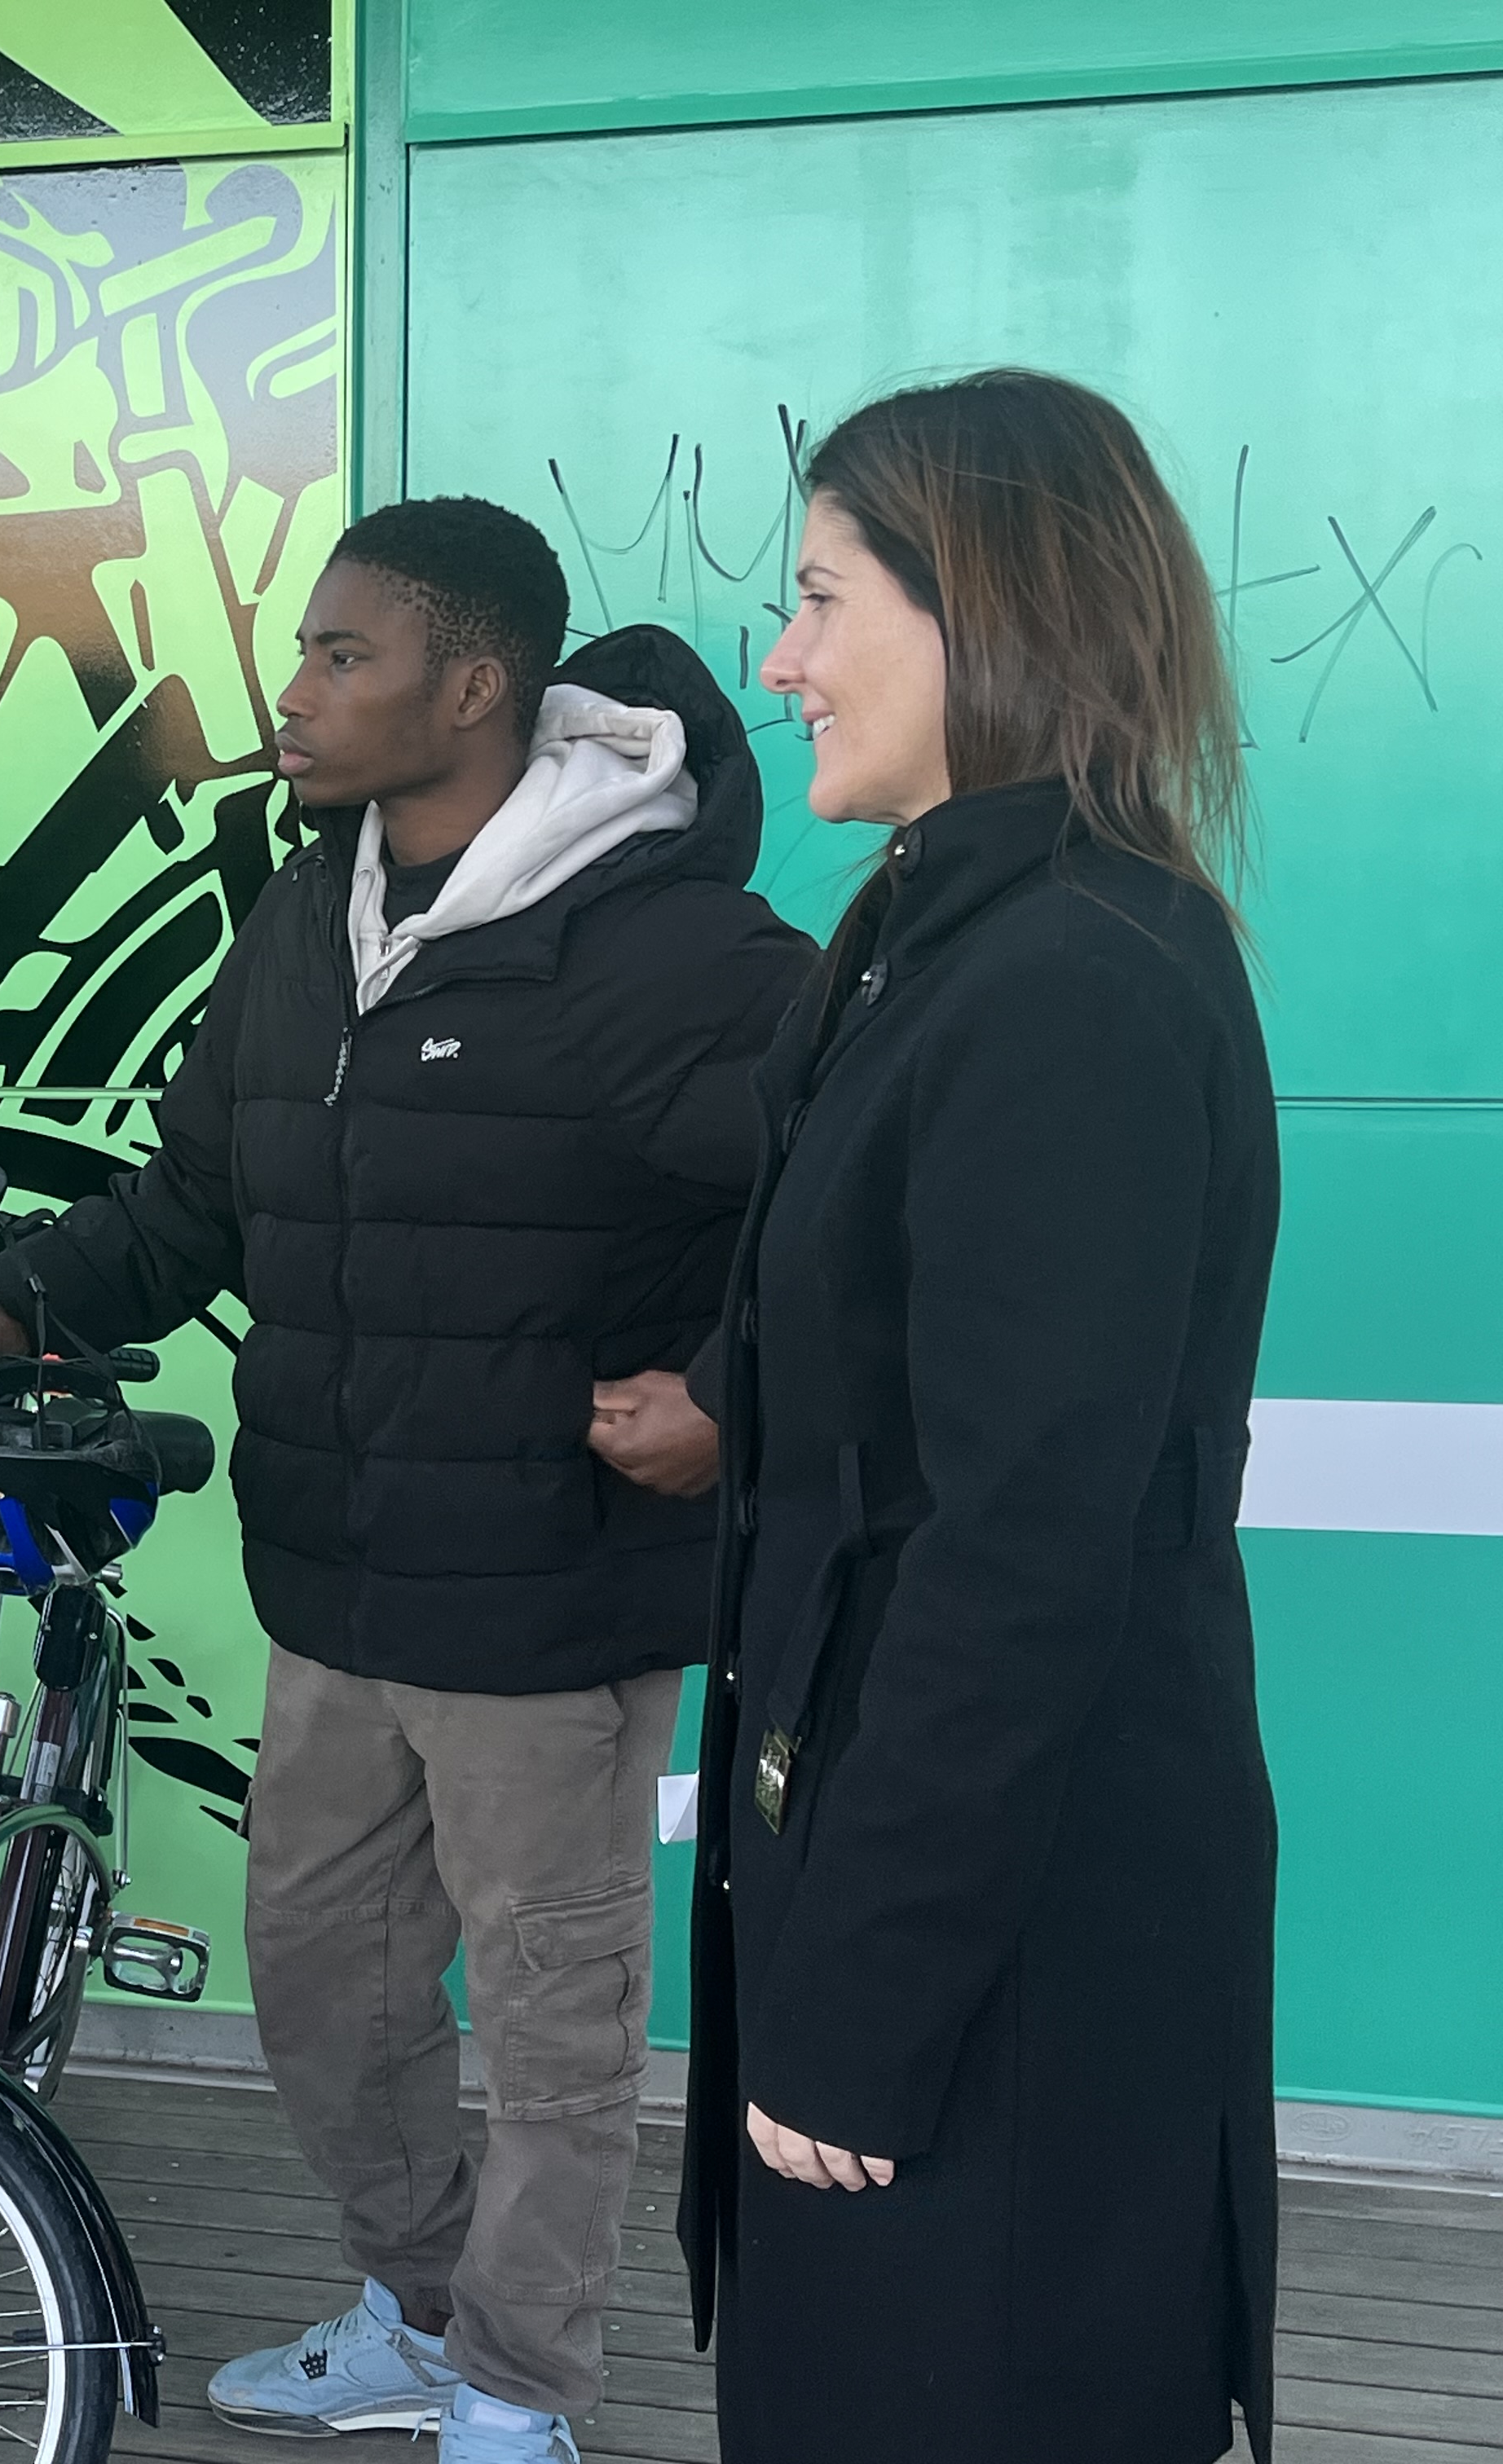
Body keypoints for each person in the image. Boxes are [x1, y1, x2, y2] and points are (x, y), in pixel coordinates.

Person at [0, 499, 812, 2463]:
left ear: (473, 686)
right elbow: (201, 1199)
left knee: (553, 2022)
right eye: (304, 651)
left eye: (344, 657)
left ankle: (516, 2394)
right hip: (336, 1582)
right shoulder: (305, 912)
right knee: (323, 1990)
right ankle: (426, 2310)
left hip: (547, 1597)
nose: (296, 691)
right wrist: (24, 1299)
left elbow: (862, 1199)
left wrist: (731, 1392)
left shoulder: (674, 947)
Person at [677, 371, 1279, 2464]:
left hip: (1006, 1969)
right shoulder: (937, 935)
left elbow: (1021, 1546)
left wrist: (866, 2000)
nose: (782, 660)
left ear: (988, 609)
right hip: (908, 1895)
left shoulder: (1072, 979)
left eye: (824, 597)